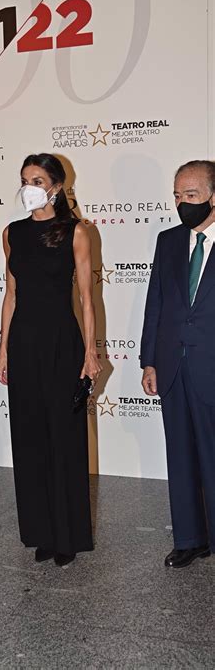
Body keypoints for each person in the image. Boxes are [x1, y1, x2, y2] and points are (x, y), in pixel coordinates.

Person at [0, 154, 101, 566]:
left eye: (37, 179)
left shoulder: (77, 232)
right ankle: (40, 531)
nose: (29, 187)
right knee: (30, 437)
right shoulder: (11, 233)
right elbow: (10, 294)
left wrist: (90, 353)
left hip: (62, 341)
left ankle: (68, 536)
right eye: (24, 180)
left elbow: (88, 301)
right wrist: (3, 349)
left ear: (56, 186)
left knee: (65, 437)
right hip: (23, 342)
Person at [141, 160, 215, 569]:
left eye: (191, 195)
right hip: (172, 365)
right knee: (181, 455)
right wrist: (149, 360)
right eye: (177, 195)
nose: (182, 203)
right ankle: (189, 538)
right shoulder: (168, 241)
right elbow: (157, 303)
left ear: (212, 197)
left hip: (211, 363)